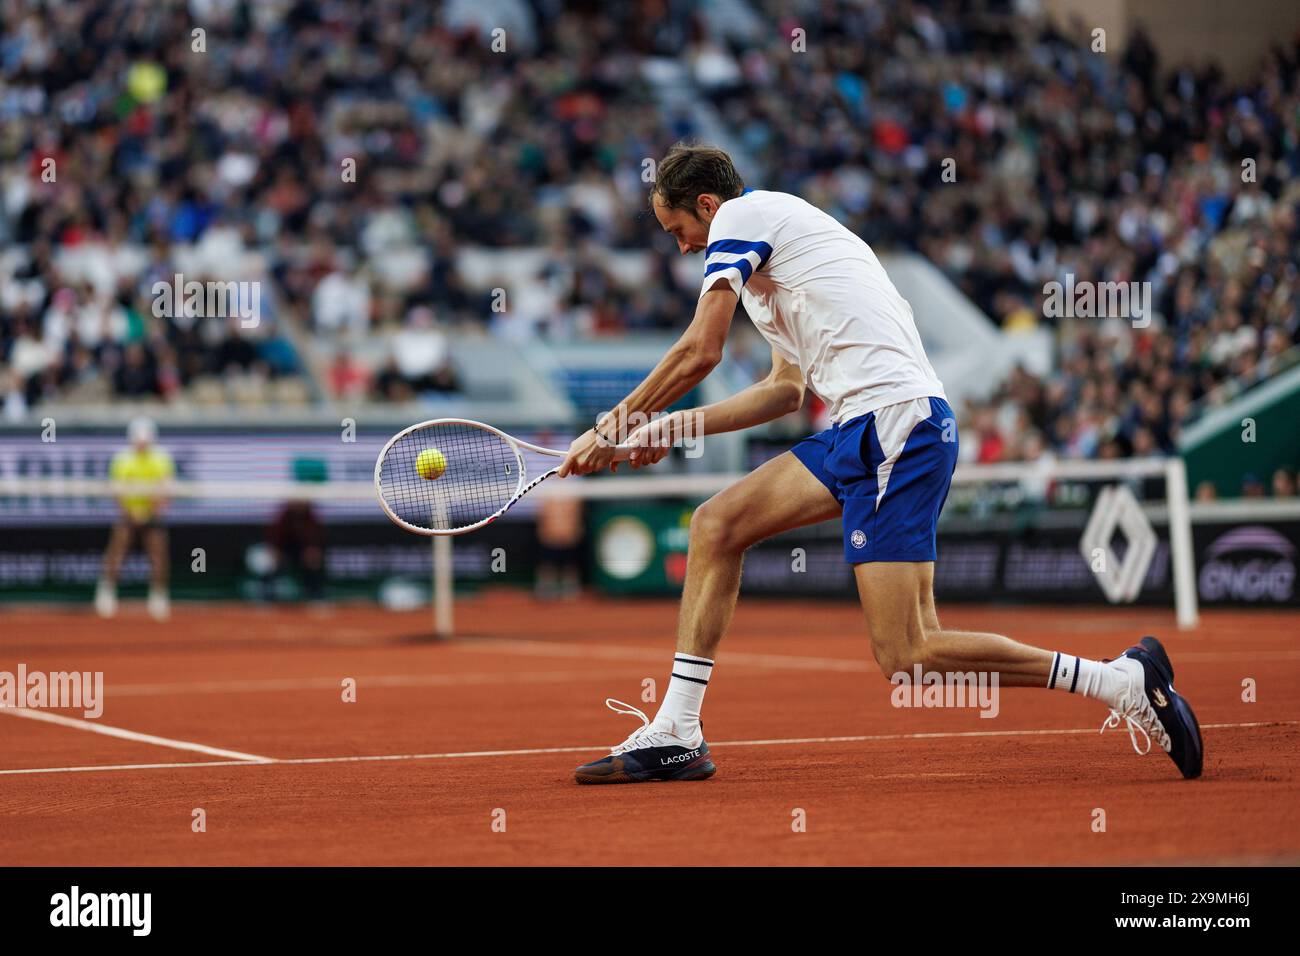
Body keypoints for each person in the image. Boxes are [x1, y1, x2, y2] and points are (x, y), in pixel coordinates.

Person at [560, 144, 1203, 783]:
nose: (681, 247)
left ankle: (1120, 682)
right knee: (715, 526)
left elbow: (701, 350)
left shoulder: (743, 219)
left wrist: (614, 424)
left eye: (679, 231)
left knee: (909, 655)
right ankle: (678, 730)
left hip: (899, 423)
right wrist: (673, 425)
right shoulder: (766, 278)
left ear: (708, 206)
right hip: (855, 428)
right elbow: (785, 393)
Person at [96, 417, 174, 620]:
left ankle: (158, 596)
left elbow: (165, 490)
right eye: (139, 440)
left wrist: (150, 510)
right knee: (116, 550)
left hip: (152, 514)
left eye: (145, 440)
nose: (142, 444)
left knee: (158, 554)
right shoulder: (122, 459)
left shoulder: (161, 459)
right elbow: (117, 492)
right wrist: (131, 513)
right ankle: (107, 592)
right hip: (128, 514)